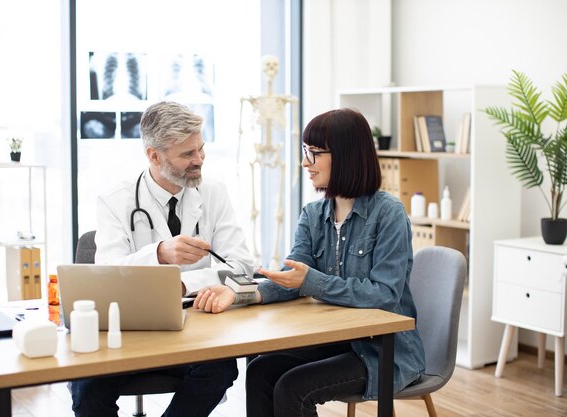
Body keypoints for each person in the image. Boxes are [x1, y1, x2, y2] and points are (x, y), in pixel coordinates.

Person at [194, 108, 426, 417]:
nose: (305, 162)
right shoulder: (312, 215)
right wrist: (241, 293)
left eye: (314, 153)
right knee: (261, 370)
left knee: (293, 387)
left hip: (381, 352)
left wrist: (311, 281)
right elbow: (294, 280)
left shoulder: (389, 214)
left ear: (345, 156)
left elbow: (383, 295)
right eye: (306, 152)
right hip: (335, 340)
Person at [70, 101, 253, 417]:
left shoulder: (214, 193)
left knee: (221, 369)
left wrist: (181, 283)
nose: (199, 161)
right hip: (127, 331)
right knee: (88, 389)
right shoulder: (115, 200)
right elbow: (105, 273)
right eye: (187, 154)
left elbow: (241, 266)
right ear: (154, 156)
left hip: (194, 327)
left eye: (201, 149)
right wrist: (157, 255)